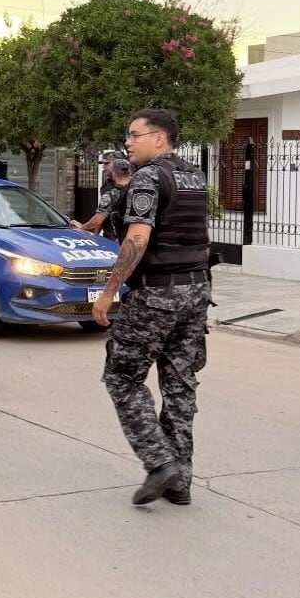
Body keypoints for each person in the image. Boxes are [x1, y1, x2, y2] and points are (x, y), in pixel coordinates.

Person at [92, 109, 211, 507]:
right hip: (196, 293)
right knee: (179, 384)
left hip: (156, 294)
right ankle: (180, 482)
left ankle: (160, 463)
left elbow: (138, 239)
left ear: (159, 138)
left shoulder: (148, 176)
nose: (127, 142)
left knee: (122, 377)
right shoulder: (194, 176)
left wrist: (109, 291)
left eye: (133, 135)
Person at [73, 158, 132, 239]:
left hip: (116, 241)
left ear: (114, 173)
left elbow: (97, 221)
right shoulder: (141, 189)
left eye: (107, 164)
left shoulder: (111, 194)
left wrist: (82, 227)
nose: (104, 167)